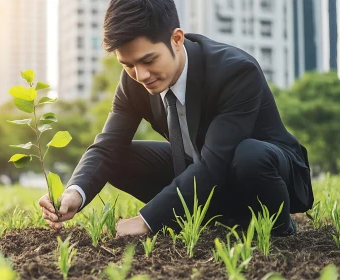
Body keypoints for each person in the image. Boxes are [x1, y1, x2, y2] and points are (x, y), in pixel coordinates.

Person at [39, 0, 314, 237]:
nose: (141, 75)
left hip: (265, 173)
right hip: (208, 173)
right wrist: (74, 192)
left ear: (177, 39)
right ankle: (216, 219)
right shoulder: (132, 80)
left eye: (148, 60)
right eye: (128, 65)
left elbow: (215, 162)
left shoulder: (235, 71)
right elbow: (107, 145)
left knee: (249, 154)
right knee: (118, 157)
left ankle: (279, 226)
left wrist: (148, 220)